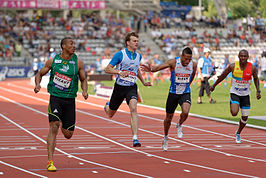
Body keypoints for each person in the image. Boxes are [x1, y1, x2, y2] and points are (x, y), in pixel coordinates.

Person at [34, 37, 88, 171]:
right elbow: (39, 74)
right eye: (71, 44)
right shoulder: (53, 61)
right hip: (56, 98)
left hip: (70, 100)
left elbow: (83, 79)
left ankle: (61, 120)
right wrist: (37, 84)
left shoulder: (78, 62)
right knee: (54, 127)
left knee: (68, 135)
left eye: (74, 44)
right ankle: (50, 161)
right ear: (63, 46)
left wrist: (85, 91)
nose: (74, 46)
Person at [141, 47, 197, 151]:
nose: (187, 61)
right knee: (168, 119)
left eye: (189, 59)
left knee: (185, 112)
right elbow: (160, 67)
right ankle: (166, 137)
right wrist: (151, 69)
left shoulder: (193, 64)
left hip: (185, 92)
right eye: (185, 59)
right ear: (181, 56)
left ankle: (179, 124)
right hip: (173, 94)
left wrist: (188, 84)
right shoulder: (174, 62)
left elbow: (193, 74)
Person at [104, 32, 151, 147]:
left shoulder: (138, 56)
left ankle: (135, 138)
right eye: (134, 41)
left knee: (134, 108)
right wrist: (119, 72)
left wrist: (143, 82)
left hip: (131, 87)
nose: (137, 43)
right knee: (110, 113)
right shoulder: (120, 55)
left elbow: (137, 70)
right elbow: (107, 69)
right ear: (128, 43)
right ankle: (107, 106)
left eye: (137, 41)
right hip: (119, 88)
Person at [209, 49, 261, 143]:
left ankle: (238, 133)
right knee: (234, 112)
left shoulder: (252, 68)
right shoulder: (233, 66)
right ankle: (232, 103)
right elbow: (223, 76)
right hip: (235, 93)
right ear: (238, 56)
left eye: (245, 56)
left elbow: (256, 79)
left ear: (248, 57)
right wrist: (214, 86)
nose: (243, 58)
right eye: (241, 56)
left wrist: (258, 90)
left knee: (245, 117)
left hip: (245, 95)